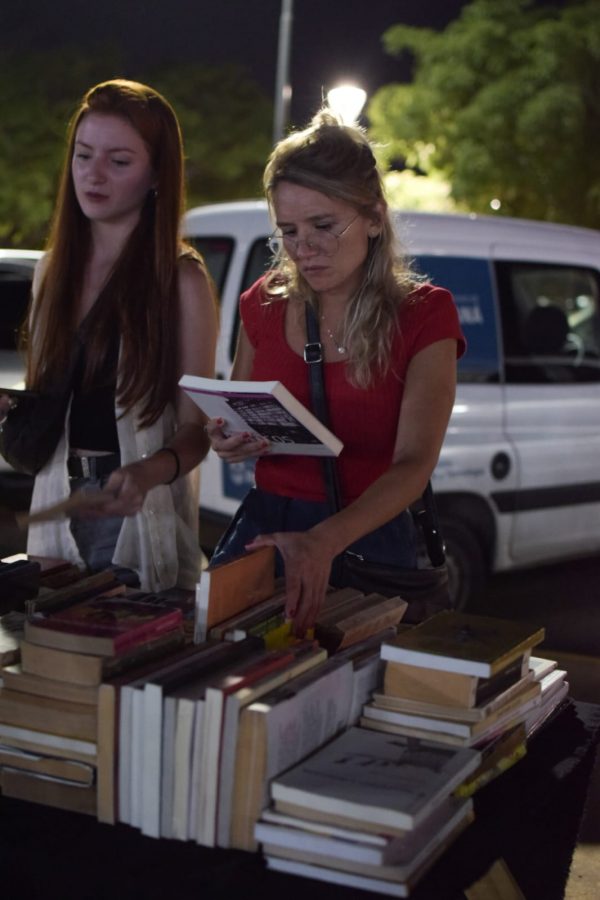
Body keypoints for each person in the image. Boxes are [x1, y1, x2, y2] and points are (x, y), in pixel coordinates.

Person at [206, 109, 465, 635]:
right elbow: (240, 409)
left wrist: (323, 541)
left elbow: (414, 464)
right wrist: (228, 438)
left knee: (351, 673)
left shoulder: (424, 314)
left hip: (368, 536)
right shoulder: (262, 304)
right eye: (288, 231)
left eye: (323, 226)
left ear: (374, 218)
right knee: (232, 664)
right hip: (269, 529)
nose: (304, 249)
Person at [0, 79, 218, 592]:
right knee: (47, 636)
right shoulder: (52, 271)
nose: (93, 174)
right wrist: (13, 407)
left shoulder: (180, 279)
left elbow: (197, 431)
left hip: (137, 513)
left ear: (157, 174)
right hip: (57, 501)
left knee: (135, 633)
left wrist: (149, 472)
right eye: (83, 155)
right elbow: (52, 402)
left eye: (118, 161)